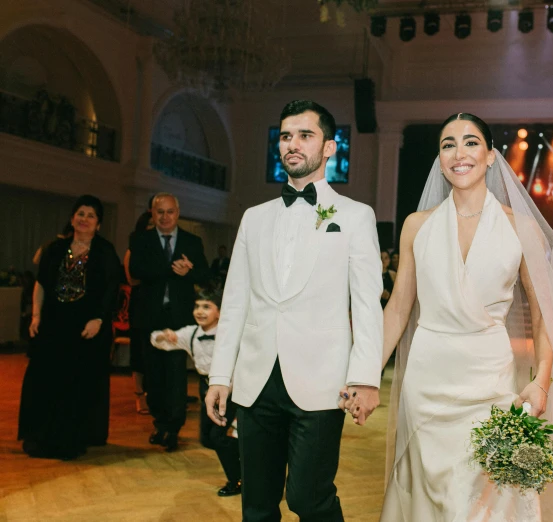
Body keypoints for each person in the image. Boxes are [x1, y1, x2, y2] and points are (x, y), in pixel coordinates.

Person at [342, 113, 553, 521]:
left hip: (489, 378)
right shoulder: (416, 226)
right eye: (448, 145)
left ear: (492, 155)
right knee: (429, 489)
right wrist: (366, 376)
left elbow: (545, 310)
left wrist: (542, 381)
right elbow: (398, 308)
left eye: (471, 142)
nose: (459, 153)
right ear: (440, 159)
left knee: (482, 493)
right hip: (426, 380)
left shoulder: (521, 227)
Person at [205, 100, 384, 522]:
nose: (292, 144)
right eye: (286, 136)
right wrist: (220, 375)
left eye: (305, 135)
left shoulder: (355, 217)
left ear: (329, 148)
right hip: (255, 381)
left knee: (309, 498)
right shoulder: (254, 218)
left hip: (321, 382)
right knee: (258, 504)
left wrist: (364, 379)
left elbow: (366, 304)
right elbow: (235, 303)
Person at [18, 195, 121, 459]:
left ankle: (70, 439)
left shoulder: (105, 251)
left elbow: (112, 290)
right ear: (72, 217)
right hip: (53, 325)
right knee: (42, 381)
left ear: (99, 224)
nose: (84, 219)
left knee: (75, 383)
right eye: (80, 213)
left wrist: (99, 319)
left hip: (86, 328)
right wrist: (36, 316)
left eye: (91, 215)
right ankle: (39, 436)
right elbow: (41, 284)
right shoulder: (55, 248)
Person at [129, 193, 209, 452]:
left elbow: (205, 274)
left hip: (179, 319)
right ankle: (160, 423)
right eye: (160, 212)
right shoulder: (140, 240)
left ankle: (173, 427)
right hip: (149, 317)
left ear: (178, 212)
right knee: (153, 375)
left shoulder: (191, 241)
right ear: (152, 214)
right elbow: (137, 271)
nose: (165, 217)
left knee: (175, 375)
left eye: (170, 211)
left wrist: (190, 271)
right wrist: (170, 268)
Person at [150, 286, 241, 497]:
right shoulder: (191, 333)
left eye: (207, 307)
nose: (200, 311)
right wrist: (166, 336)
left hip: (229, 390)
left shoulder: (229, 334)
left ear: (220, 311)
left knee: (217, 437)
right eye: (197, 306)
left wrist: (229, 390)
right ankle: (246, 452)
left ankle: (237, 479)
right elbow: (156, 340)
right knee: (207, 439)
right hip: (205, 388)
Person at [124, 210, 154, 414]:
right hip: (141, 304)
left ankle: (155, 395)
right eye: (150, 225)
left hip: (158, 307)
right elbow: (132, 280)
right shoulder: (132, 251)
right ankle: (139, 396)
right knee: (139, 353)